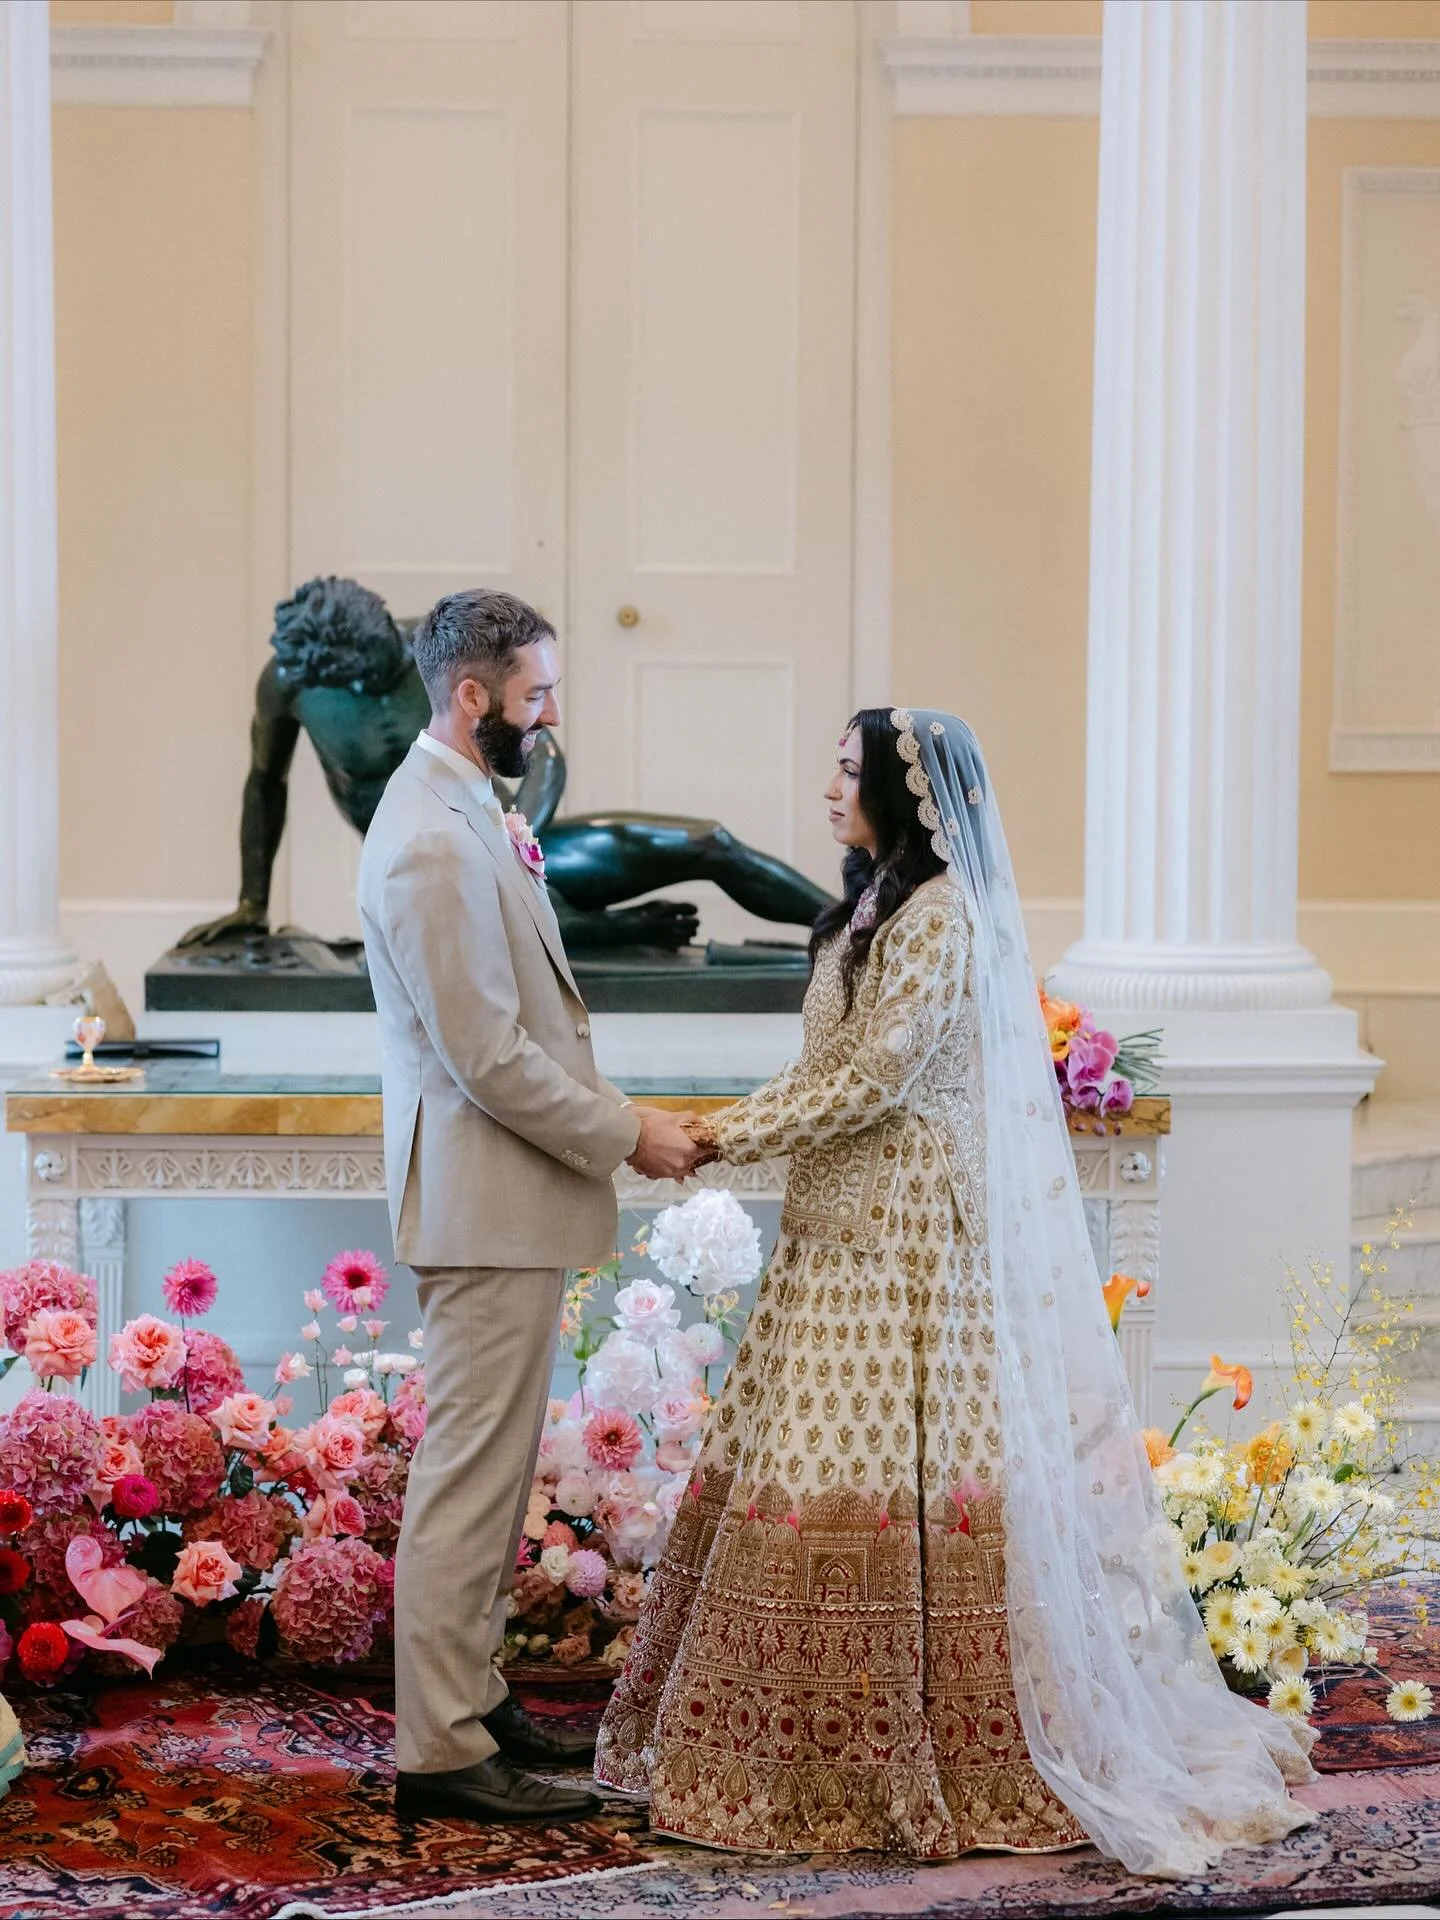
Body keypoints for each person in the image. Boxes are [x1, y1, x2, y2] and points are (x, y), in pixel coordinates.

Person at [596, 708, 1316, 1873]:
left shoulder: (944, 918)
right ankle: (781, 1757)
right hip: (833, 1231)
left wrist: (714, 1139)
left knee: (866, 1480)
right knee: (799, 1470)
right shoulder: (870, 907)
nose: (828, 785)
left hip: (906, 1250)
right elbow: (823, 1067)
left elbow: (875, 1080)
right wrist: (717, 1123)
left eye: (847, 768)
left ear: (908, 791)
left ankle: (917, 1758)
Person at [357, 589, 703, 1826]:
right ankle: (441, 1749)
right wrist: (627, 1134)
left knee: (497, 1477)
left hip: (505, 1200)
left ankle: (471, 1694)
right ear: (472, 697)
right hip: (480, 1202)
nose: (550, 714)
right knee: (469, 1479)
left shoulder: (469, 810)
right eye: (537, 694)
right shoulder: (431, 841)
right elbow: (487, 1056)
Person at [182, 574, 831, 955]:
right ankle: (586, 930)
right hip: (430, 879)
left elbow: (543, 749)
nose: (397, 658)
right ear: (340, 678)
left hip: (516, 846)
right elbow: (264, 783)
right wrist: (251, 903)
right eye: (378, 664)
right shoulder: (292, 686)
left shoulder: (440, 652)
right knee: (481, 907)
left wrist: (512, 837)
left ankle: (863, 927)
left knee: (708, 843)